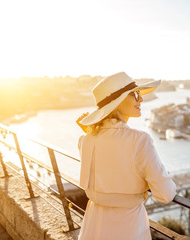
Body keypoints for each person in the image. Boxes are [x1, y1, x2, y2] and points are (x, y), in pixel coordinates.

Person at [76, 72, 176, 240]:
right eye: (135, 94)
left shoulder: (85, 140)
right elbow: (165, 194)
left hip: (93, 225)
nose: (141, 99)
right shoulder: (139, 141)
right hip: (128, 227)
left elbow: (105, 162)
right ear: (118, 101)